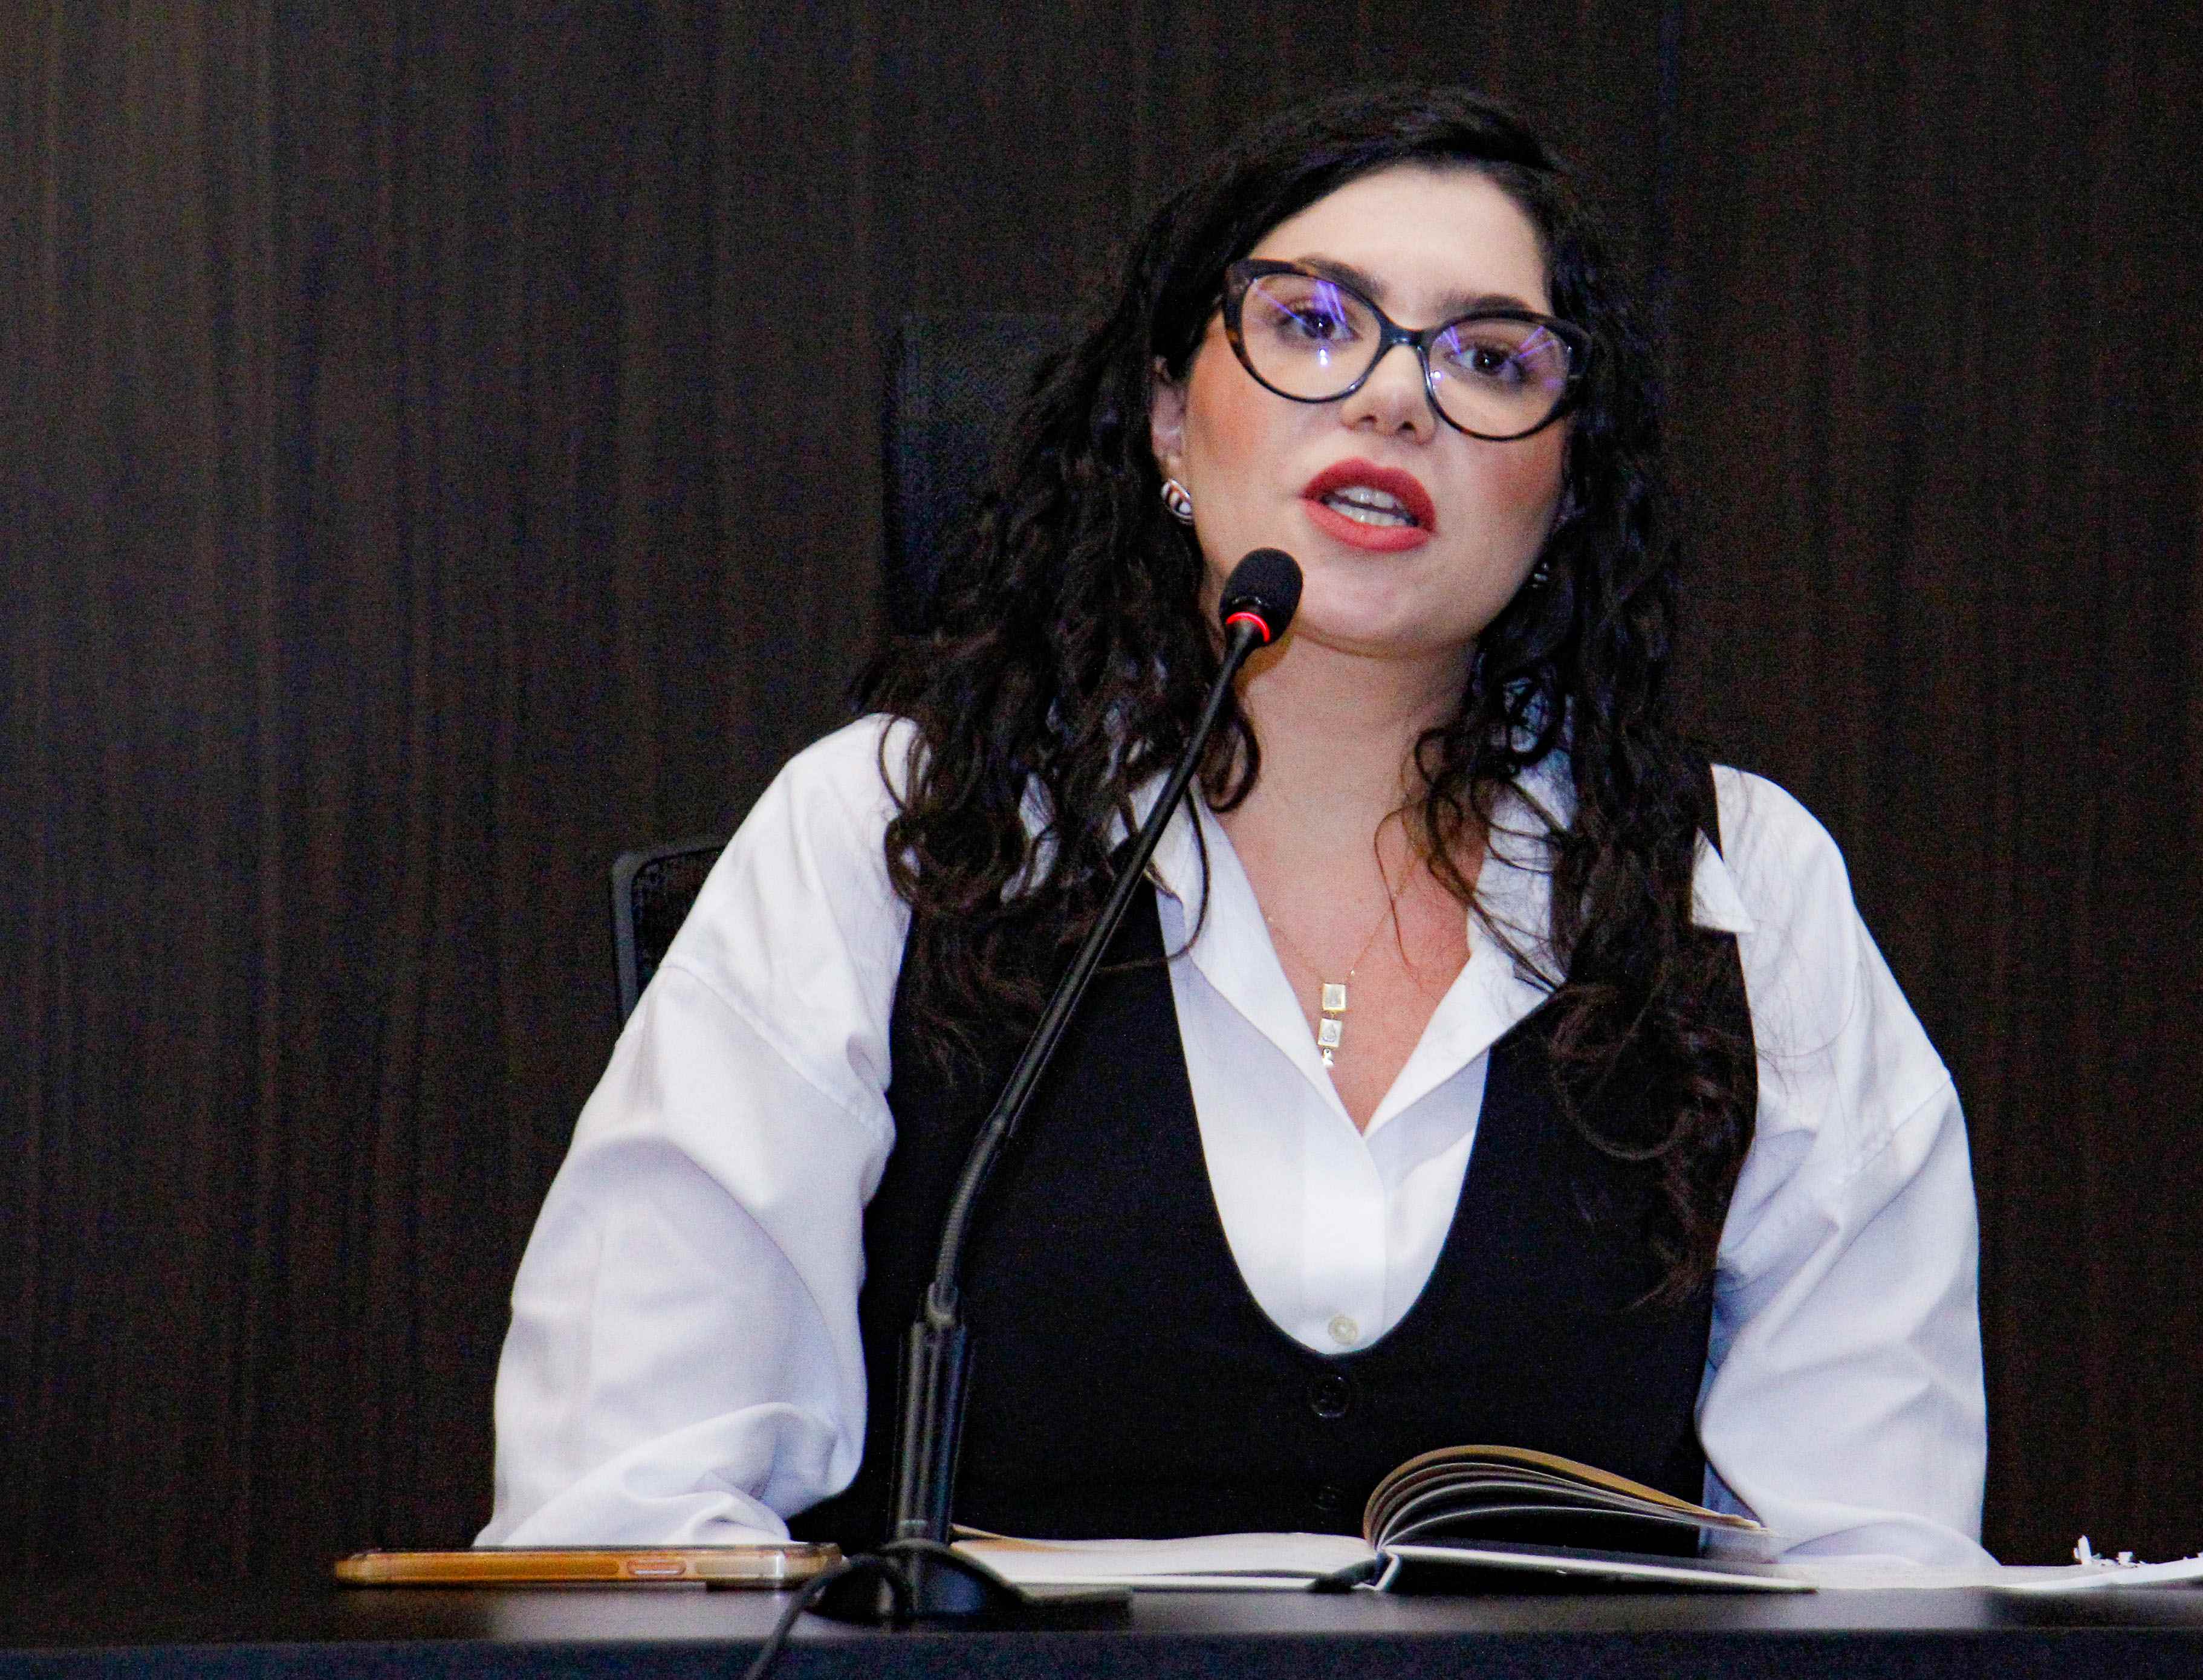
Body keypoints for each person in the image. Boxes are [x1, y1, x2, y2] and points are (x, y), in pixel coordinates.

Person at [478, 86, 1990, 1566]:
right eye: (1312, 322)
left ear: (1564, 487)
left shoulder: (1737, 893)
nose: (1394, 398)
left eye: (1487, 358)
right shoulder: (893, 832)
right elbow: (619, 1513)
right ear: (1165, 417)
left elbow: (1877, 1567)